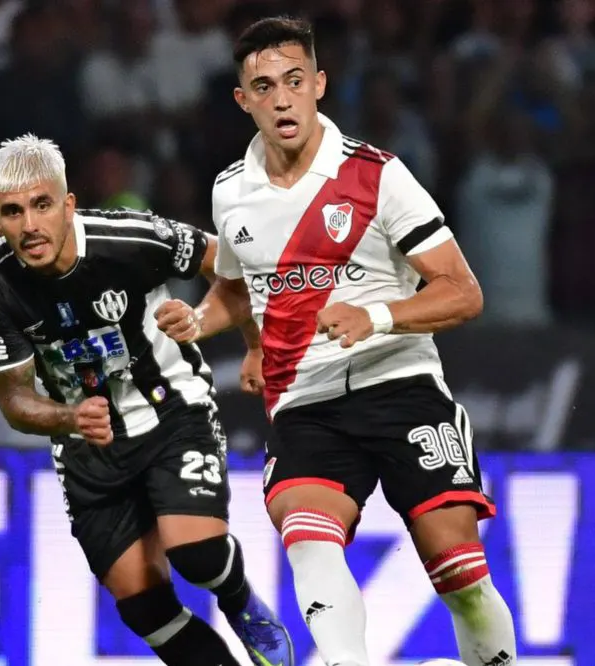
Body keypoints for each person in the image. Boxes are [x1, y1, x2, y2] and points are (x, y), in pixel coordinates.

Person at [156, 17, 517, 666]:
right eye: (263, 86)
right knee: (308, 534)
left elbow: (462, 292)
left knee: (458, 572)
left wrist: (374, 316)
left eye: (295, 81)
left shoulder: (379, 176)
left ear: (319, 84)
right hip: (306, 401)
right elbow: (239, 290)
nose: (282, 98)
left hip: (400, 384)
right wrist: (205, 321)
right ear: (243, 100)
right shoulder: (229, 193)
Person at [0, 134, 293, 666]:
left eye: (42, 205)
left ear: (68, 204)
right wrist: (69, 417)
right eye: (12, 212)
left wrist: (254, 343)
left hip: (171, 410)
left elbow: (230, 265)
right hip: (87, 446)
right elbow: (14, 399)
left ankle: (240, 601)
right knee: (145, 609)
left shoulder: (129, 239)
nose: (29, 226)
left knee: (197, 554)